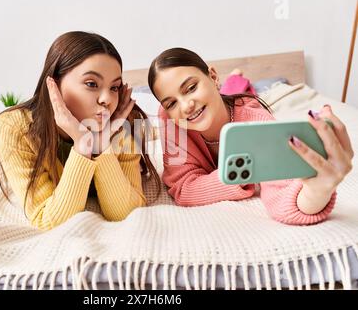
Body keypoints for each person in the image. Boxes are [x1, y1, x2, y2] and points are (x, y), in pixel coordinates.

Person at [148, 47, 354, 225]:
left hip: (238, 104)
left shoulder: (256, 119)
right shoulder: (169, 118)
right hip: (221, 100)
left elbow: (280, 190)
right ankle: (233, 82)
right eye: (171, 103)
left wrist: (317, 192)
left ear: (212, 76)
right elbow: (183, 188)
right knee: (224, 94)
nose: (185, 106)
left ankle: (237, 79)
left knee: (240, 92)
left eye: (191, 88)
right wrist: (239, 177)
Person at [0, 31, 160, 231]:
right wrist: (82, 145)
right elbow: (48, 220)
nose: (107, 99)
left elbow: (125, 214)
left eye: (114, 87)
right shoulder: (13, 128)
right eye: (91, 84)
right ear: (55, 83)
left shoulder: (124, 124)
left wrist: (101, 145)